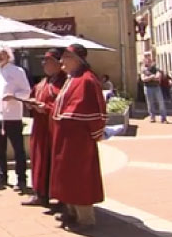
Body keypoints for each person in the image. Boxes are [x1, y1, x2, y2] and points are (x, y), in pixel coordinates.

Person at [51, 44, 106, 232]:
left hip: (78, 140)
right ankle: (71, 211)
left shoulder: (87, 80)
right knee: (66, 175)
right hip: (65, 137)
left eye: (65, 57)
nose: (61, 61)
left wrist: (94, 134)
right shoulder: (72, 78)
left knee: (80, 176)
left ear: (77, 59)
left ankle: (86, 219)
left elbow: (94, 112)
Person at [0, 44, 31, 192]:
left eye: (1, 54)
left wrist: (14, 96)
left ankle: (21, 179)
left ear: (8, 55)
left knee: (18, 149)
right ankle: (2, 176)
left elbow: (26, 92)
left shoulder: (18, 71)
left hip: (13, 116)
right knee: (0, 149)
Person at [22, 49, 66, 207]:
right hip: (40, 129)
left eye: (47, 61)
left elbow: (64, 105)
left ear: (58, 64)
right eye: (43, 61)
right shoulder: (43, 82)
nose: (43, 64)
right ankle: (39, 193)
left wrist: (46, 108)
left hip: (54, 131)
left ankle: (60, 198)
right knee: (39, 161)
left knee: (54, 163)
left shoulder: (64, 82)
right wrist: (31, 103)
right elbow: (34, 95)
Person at [141, 54, 168, 123]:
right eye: (146, 58)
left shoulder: (156, 68)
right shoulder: (143, 69)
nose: (148, 60)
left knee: (161, 102)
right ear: (144, 60)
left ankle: (163, 118)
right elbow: (143, 79)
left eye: (149, 58)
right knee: (150, 103)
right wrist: (152, 77)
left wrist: (151, 77)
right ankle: (152, 117)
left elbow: (158, 77)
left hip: (156, 87)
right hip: (148, 87)